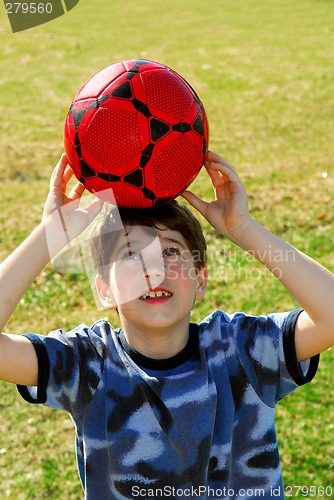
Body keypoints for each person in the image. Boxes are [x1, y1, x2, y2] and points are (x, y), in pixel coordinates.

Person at [0, 151, 333, 500]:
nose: (153, 269)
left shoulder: (240, 351)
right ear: (105, 288)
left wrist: (243, 228)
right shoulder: (88, 365)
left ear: (200, 280)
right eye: (131, 254)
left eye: (171, 251)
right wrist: (50, 234)